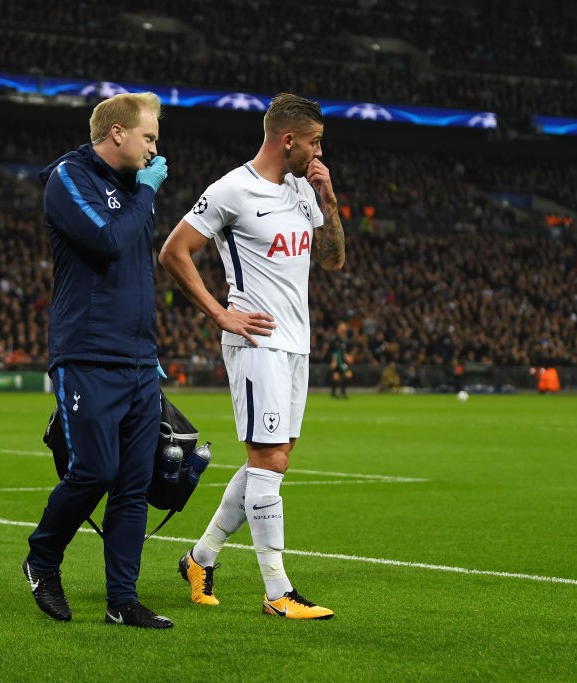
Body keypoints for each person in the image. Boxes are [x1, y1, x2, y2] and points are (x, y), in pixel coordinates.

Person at [158, 93, 345, 620]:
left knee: (272, 461)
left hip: (295, 344)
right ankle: (276, 590)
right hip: (256, 341)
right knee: (268, 461)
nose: (318, 152)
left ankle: (200, 559)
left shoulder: (302, 190)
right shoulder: (231, 190)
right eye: (314, 143)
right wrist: (220, 313)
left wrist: (328, 200)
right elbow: (173, 250)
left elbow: (332, 260)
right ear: (288, 139)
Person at [21, 92, 174, 629]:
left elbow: (136, 273)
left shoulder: (134, 189)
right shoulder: (68, 179)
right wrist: (147, 195)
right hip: (85, 354)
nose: (156, 150)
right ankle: (42, 557)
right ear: (116, 134)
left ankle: (122, 601)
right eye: (149, 138)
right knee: (94, 470)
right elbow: (109, 242)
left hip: (137, 357)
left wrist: (148, 351)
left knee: (134, 485)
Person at [329, 321, 353, 399]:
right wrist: (333, 360)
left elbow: (346, 351)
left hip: (343, 362)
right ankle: (333, 394)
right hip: (336, 361)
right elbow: (331, 351)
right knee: (335, 376)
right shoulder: (334, 340)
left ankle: (342, 392)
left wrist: (348, 356)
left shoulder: (346, 340)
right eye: (341, 328)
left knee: (348, 375)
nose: (343, 330)